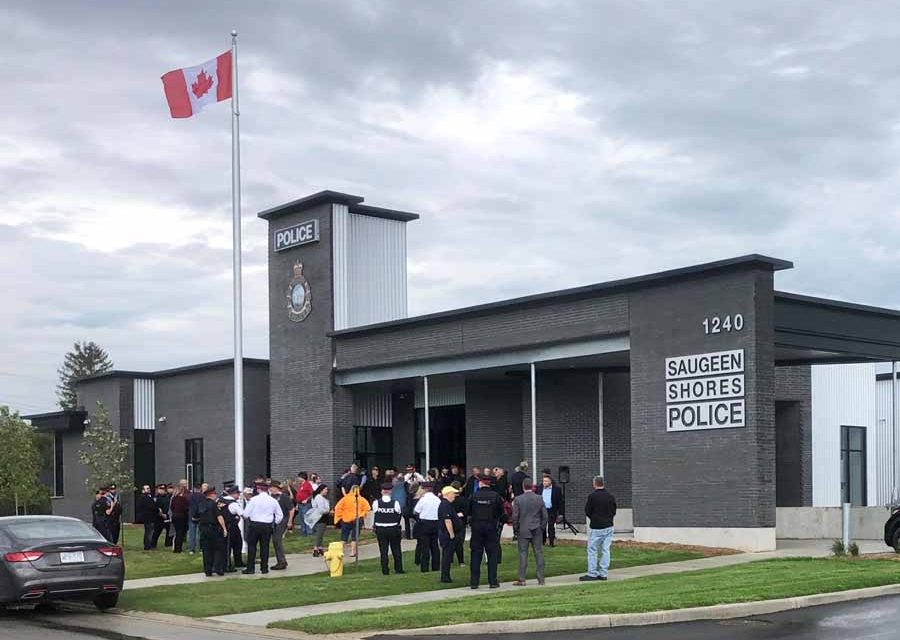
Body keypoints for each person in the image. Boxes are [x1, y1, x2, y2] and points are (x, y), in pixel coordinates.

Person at [468, 473, 504, 589]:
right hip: (491, 528)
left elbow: (468, 512)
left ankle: (474, 582)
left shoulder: (473, 496)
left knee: (475, 555)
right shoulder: (496, 496)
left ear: (481, 483)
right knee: (492, 555)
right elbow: (501, 513)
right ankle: (493, 581)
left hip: (477, 528)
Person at [242, 480, 283, 575]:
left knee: (252, 547)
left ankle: (250, 568)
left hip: (254, 525)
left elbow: (246, 514)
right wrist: (274, 523)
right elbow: (279, 515)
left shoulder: (253, 500)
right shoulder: (273, 500)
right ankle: (264, 568)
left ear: (258, 489)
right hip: (267, 526)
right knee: (265, 547)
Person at [580, 476, 617, 582]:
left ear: (594, 484)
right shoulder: (610, 496)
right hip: (609, 525)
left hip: (596, 527)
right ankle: (603, 573)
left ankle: (592, 573)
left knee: (592, 550)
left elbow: (587, 510)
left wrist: (594, 518)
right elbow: (614, 510)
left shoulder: (592, 497)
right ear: (603, 483)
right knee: (605, 550)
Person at [512, 479, 548, 586]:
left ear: (523, 486)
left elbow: (515, 517)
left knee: (523, 553)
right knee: (539, 553)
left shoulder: (518, 499)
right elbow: (545, 516)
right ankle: (541, 579)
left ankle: (522, 579)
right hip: (536, 528)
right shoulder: (539, 498)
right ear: (532, 486)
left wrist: (516, 529)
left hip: (523, 529)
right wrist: (542, 528)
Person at [371, 482, 404, 575]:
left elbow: (375, 513)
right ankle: (398, 569)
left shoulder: (376, 503)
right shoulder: (395, 503)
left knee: (383, 550)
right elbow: (399, 514)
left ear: (382, 491)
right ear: (390, 491)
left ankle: (385, 570)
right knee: (396, 550)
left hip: (381, 529)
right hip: (393, 528)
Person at [196, 486, 227, 576]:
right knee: (218, 548)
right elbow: (219, 517)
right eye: (215, 494)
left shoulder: (201, 504)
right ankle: (217, 567)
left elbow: (196, 516)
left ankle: (207, 570)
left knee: (206, 550)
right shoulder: (214, 504)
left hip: (203, 528)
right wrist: (224, 528)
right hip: (213, 528)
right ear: (212, 495)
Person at [334, 483, 370, 558]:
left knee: (343, 537)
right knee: (354, 537)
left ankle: (339, 552)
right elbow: (367, 509)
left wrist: (340, 516)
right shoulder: (362, 499)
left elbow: (337, 508)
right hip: (357, 520)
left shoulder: (345, 499)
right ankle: (353, 552)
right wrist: (362, 515)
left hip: (346, 520)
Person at [413, 481, 441, 572]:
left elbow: (416, 511)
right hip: (435, 523)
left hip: (424, 524)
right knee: (435, 546)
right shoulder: (437, 499)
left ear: (425, 489)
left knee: (425, 547)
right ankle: (436, 567)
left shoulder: (423, 499)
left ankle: (425, 568)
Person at [438, 485, 461, 583]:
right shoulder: (445, 505)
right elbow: (447, 520)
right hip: (447, 535)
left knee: (448, 555)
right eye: (453, 494)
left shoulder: (447, 504)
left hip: (447, 534)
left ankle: (446, 575)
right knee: (447, 556)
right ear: (448, 494)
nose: (454, 496)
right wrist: (451, 534)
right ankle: (445, 577)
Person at [269, 480, 295, 570]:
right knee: (275, 541)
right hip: (273, 520)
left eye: (271, 487)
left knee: (277, 540)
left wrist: (290, 521)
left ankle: (281, 561)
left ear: (275, 488)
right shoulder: (270, 497)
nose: (270, 489)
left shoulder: (283, 497)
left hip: (282, 520)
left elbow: (291, 509)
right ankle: (280, 561)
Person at [221, 485, 244, 570]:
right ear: (234, 494)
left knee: (230, 545)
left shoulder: (220, 500)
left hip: (222, 526)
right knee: (232, 545)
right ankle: (228, 565)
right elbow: (242, 514)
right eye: (238, 494)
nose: (239, 496)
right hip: (231, 527)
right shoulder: (233, 504)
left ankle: (236, 562)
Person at [305, 484, 331, 557]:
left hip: (323, 518)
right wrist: (328, 510)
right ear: (321, 490)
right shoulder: (319, 497)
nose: (327, 491)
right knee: (319, 534)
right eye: (325, 489)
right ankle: (315, 548)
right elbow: (321, 509)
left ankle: (320, 547)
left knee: (321, 533)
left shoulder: (322, 497)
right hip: (320, 518)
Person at [540, 474, 563, 547]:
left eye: (546, 481)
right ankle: (542, 541)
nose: (544, 482)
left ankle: (551, 542)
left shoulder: (557, 489)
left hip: (551, 510)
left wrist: (561, 513)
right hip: (542, 510)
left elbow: (560, 502)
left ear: (550, 481)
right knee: (542, 526)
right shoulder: (539, 488)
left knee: (551, 526)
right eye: (543, 481)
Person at [451, 481, 468, 566]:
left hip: (451, 522)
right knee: (459, 543)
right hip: (461, 523)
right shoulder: (463, 500)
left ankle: (450, 559)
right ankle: (461, 561)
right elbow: (466, 512)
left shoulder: (449, 500)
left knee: (451, 542)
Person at [136, 484, 157, 550]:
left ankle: (148, 544)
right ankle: (147, 546)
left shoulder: (149, 496)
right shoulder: (144, 497)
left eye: (149, 488)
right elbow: (152, 506)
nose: (149, 489)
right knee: (149, 532)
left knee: (149, 531)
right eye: (147, 488)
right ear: (143, 490)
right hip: (148, 517)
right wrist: (157, 508)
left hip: (150, 517)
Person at [170, 484, 189, 553]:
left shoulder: (174, 498)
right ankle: (178, 549)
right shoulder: (183, 499)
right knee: (180, 533)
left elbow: (172, 507)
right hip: (181, 517)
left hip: (174, 516)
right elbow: (186, 508)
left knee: (177, 532)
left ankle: (175, 548)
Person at [150, 484, 170, 548]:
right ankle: (153, 544)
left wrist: (166, 514)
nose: (162, 490)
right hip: (159, 517)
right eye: (161, 489)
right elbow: (155, 507)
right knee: (157, 531)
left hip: (167, 516)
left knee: (169, 531)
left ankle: (168, 543)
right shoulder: (156, 498)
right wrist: (160, 514)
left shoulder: (167, 497)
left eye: (163, 489)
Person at [294, 472, 314, 536]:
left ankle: (309, 532)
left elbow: (312, 494)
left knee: (306, 518)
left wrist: (307, 499)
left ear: (302, 477)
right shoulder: (301, 485)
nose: (298, 479)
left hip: (306, 504)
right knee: (302, 519)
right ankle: (303, 532)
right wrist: (297, 504)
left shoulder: (307, 484)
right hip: (300, 504)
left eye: (299, 477)